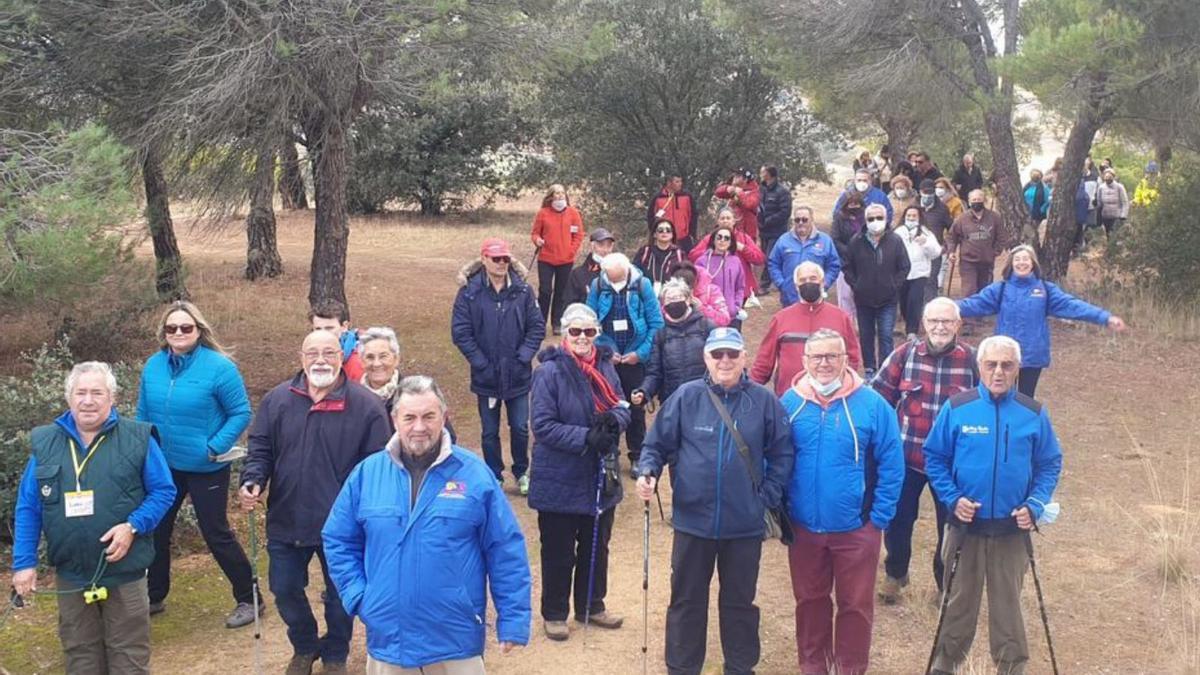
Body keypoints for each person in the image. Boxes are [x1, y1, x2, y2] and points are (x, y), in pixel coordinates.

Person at [322, 376, 531, 674]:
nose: (419, 427)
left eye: (429, 416)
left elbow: (505, 549)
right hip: (388, 638)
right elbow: (338, 538)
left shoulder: (474, 475)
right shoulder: (367, 474)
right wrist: (359, 596)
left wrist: (513, 619)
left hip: (455, 637)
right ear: (395, 419)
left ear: (444, 418)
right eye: (409, 417)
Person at [636, 327, 793, 675]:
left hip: (744, 525)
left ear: (744, 357)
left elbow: (783, 452)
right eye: (717, 354)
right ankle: (682, 668)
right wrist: (648, 470)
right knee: (686, 602)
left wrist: (767, 496)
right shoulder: (685, 396)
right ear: (706, 357)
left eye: (732, 354)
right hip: (693, 522)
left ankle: (739, 668)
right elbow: (655, 445)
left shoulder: (764, 402)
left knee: (739, 604)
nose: (725, 360)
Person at [239, 330, 391, 675]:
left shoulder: (366, 406)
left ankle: (336, 652)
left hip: (343, 524)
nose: (320, 359)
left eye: (328, 352)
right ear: (301, 356)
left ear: (342, 356)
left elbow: (378, 467)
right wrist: (252, 480)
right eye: (313, 353)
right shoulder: (277, 400)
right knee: (284, 588)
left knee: (341, 595)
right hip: (287, 515)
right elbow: (260, 448)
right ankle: (305, 646)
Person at [12, 362, 176, 675]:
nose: (88, 400)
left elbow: (164, 492)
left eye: (97, 392)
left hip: (125, 572)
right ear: (69, 397)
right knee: (80, 656)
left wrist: (133, 526)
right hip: (71, 575)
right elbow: (28, 507)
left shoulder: (138, 437)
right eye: (81, 392)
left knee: (129, 658)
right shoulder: (45, 443)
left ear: (112, 397)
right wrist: (23, 563)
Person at [924, 335, 1064, 675]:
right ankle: (946, 664)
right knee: (957, 601)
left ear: (1017, 369)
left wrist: (1034, 503)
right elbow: (935, 457)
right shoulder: (958, 408)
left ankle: (1011, 666)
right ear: (979, 367)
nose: (998, 372)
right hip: (964, 528)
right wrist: (953, 499)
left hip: (1011, 529)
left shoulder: (1033, 413)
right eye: (991, 364)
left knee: (1008, 606)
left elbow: (1049, 463)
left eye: (1006, 365)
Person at [780, 329, 904, 675]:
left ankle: (850, 668)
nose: (824, 363)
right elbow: (774, 459)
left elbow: (892, 465)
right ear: (804, 361)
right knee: (809, 603)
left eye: (831, 356)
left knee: (855, 606)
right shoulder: (788, 404)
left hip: (856, 529)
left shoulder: (874, 405)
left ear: (846, 359)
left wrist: (878, 518)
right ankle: (813, 666)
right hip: (804, 528)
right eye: (816, 356)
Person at [138, 301, 256, 626]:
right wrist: (143, 453)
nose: (178, 333)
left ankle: (249, 598)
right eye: (171, 328)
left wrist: (214, 446)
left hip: (207, 467)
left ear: (199, 330)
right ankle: (154, 596)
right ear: (163, 333)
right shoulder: (153, 366)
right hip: (165, 466)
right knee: (156, 530)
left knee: (215, 532)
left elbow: (241, 413)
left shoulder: (219, 367)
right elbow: (142, 415)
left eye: (186, 327)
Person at [529, 303, 631, 641]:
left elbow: (621, 405)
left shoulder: (605, 365)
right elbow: (542, 426)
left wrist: (612, 423)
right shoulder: (548, 372)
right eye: (575, 331)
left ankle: (592, 605)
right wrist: (585, 436)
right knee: (558, 549)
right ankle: (555, 612)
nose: (583, 337)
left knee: (596, 544)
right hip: (559, 474)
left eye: (589, 331)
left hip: (600, 473)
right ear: (564, 334)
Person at [869, 298, 978, 604]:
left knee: (952, 526)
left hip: (954, 466)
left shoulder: (972, 360)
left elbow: (988, 408)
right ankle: (895, 574)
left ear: (958, 325)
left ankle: (945, 585)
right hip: (907, 459)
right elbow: (877, 399)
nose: (940, 327)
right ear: (924, 323)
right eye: (934, 321)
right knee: (897, 519)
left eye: (947, 321)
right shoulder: (904, 355)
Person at [957, 244, 1125, 397]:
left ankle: (1024, 430)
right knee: (999, 397)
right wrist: (946, 308)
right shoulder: (1000, 289)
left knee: (1025, 401)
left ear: (1033, 263)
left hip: (1032, 357)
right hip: (1004, 355)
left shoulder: (1045, 290)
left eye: (1026, 259)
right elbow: (974, 304)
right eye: (1017, 259)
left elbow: (1074, 306)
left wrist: (1104, 318)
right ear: (1011, 264)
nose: (1022, 263)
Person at [452, 237, 546, 494]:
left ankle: (521, 471)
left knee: (520, 426)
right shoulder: (469, 293)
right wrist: (480, 363)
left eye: (505, 258)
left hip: (517, 374)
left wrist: (524, 356)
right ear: (484, 259)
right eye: (496, 258)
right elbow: (461, 332)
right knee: (489, 430)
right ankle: (494, 474)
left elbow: (536, 327)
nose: (501, 263)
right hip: (486, 377)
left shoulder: (524, 291)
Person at [586, 253, 664, 468]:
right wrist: (606, 351)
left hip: (634, 358)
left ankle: (637, 455)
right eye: (610, 278)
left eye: (618, 278)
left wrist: (640, 354)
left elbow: (656, 324)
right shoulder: (597, 285)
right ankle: (609, 452)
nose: (613, 282)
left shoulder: (643, 285)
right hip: (606, 360)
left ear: (628, 271)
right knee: (605, 405)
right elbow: (590, 321)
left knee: (635, 408)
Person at [751, 262, 862, 395]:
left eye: (813, 278)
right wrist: (749, 392)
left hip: (832, 398)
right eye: (803, 280)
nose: (808, 282)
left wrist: (845, 387)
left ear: (822, 282)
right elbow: (764, 361)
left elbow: (852, 358)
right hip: (790, 398)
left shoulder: (841, 318)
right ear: (797, 286)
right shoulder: (781, 318)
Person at [357, 326, 459, 443]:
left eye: (383, 356)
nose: (376, 363)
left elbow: (447, 438)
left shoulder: (419, 393)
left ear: (396, 359)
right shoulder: (355, 400)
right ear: (361, 361)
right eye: (370, 357)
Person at [842, 203, 911, 374]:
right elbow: (847, 267)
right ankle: (870, 369)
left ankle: (886, 371)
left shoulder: (895, 240)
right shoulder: (856, 241)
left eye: (879, 217)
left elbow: (904, 266)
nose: (875, 221)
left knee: (886, 336)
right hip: (863, 299)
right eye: (871, 218)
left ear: (886, 218)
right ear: (865, 220)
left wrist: (894, 285)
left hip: (888, 299)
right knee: (866, 336)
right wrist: (856, 285)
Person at [634, 279, 714, 408]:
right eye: (669, 299)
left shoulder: (707, 327)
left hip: (705, 399)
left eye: (677, 297)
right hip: (672, 401)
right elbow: (654, 372)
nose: (673, 302)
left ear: (688, 299)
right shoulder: (660, 334)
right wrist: (644, 391)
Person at [946, 189, 1008, 334]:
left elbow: (1002, 236)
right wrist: (951, 252)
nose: (976, 202)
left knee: (984, 288)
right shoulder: (961, 219)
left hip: (987, 261)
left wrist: (995, 252)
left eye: (979, 199)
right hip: (968, 260)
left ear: (984, 200)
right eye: (973, 200)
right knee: (969, 289)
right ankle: (968, 322)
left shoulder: (994, 217)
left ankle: (979, 316)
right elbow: (951, 237)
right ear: (968, 201)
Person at [531, 183, 585, 328]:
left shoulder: (573, 213)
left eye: (562, 192)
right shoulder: (543, 213)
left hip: (565, 260)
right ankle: (540, 322)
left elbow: (578, 234)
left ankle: (556, 322)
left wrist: (571, 250)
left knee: (561, 292)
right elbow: (535, 233)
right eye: (556, 193)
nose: (560, 195)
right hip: (546, 259)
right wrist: (537, 240)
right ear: (551, 196)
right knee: (545, 291)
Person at [768, 205, 842, 308]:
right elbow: (773, 264)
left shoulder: (825, 241)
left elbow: (834, 265)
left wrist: (824, 283)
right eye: (797, 220)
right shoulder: (783, 240)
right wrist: (782, 284)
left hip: (816, 298)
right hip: (790, 298)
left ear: (812, 220)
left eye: (804, 219)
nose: (801, 223)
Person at [691, 209, 767, 297]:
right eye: (722, 218)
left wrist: (743, 249)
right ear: (718, 221)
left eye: (728, 218)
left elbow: (760, 259)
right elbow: (693, 256)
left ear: (734, 221)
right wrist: (712, 250)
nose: (725, 221)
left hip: (741, 288)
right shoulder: (710, 239)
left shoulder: (744, 238)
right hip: (715, 287)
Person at [895, 206, 943, 339]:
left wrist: (925, 243)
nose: (911, 218)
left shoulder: (926, 233)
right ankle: (907, 322)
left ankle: (912, 330)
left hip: (919, 273)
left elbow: (936, 252)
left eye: (914, 216)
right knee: (904, 302)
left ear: (919, 217)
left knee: (914, 301)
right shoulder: (897, 233)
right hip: (902, 274)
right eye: (908, 216)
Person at [693, 222, 748, 329]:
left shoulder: (736, 261)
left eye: (726, 238)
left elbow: (740, 287)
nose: (722, 240)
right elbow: (696, 288)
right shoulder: (702, 261)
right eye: (719, 237)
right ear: (713, 240)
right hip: (709, 316)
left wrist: (736, 306)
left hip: (732, 316)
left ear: (731, 242)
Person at [757, 165, 793, 294]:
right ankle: (781, 279)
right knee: (769, 257)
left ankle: (764, 285)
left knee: (770, 257)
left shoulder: (782, 191)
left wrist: (768, 221)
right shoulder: (761, 189)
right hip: (763, 231)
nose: (760, 173)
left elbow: (785, 212)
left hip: (776, 231)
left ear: (769, 174)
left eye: (763, 171)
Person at [310, 300, 365, 382]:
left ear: (344, 327)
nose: (323, 333)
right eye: (318, 329)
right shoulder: (310, 357)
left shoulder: (357, 362)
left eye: (329, 328)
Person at [831, 190, 866, 318]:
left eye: (857, 204)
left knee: (861, 295)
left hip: (864, 261)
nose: (854, 207)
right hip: (845, 260)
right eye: (851, 204)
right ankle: (847, 323)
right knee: (845, 295)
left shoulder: (866, 218)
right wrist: (849, 251)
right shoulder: (839, 218)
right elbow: (835, 239)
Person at [668, 259, 732, 328]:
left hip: (704, 334)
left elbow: (725, 319)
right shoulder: (669, 293)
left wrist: (702, 308)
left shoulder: (711, 291)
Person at [919, 179, 955, 294]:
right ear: (920, 192)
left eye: (931, 192)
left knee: (931, 279)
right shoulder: (914, 207)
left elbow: (951, 229)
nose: (928, 195)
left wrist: (948, 246)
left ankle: (930, 307)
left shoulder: (942, 208)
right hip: (917, 250)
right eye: (925, 192)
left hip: (935, 250)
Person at [565, 228, 616, 307]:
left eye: (608, 246)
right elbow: (569, 305)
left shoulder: (619, 271)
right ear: (592, 246)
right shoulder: (578, 274)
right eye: (601, 245)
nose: (605, 250)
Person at [648, 174, 700, 252]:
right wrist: (655, 234)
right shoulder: (658, 198)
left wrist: (693, 234)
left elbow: (693, 216)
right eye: (677, 182)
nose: (680, 184)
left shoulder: (687, 197)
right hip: (665, 238)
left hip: (684, 239)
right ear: (669, 183)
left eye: (681, 181)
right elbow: (651, 217)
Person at [634, 219, 686, 294]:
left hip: (672, 296)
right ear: (655, 234)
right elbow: (635, 272)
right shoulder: (645, 251)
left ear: (672, 234)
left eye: (668, 230)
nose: (664, 232)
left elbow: (684, 277)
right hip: (646, 294)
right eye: (660, 230)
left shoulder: (679, 254)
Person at [714, 168, 761, 241]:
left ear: (745, 179)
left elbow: (749, 204)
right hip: (732, 229)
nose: (734, 178)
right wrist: (727, 188)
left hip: (747, 232)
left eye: (738, 176)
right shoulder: (734, 189)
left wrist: (740, 193)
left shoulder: (754, 192)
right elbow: (718, 192)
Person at [1095, 168, 1130, 238]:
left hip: (1117, 216)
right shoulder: (1101, 188)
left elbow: (1125, 202)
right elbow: (1099, 203)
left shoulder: (1119, 187)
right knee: (1108, 235)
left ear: (1113, 176)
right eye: (1106, 177)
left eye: (1109, 176)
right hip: (1105, 216)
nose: (1107, 178)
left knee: (1115, 235)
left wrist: (1123, 216)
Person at [1022, 169, 1051, 245]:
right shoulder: (1027, 186)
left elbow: (1048, 200)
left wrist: (1042, 209)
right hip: (1026, 212)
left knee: (1031, 230)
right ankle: (1029, 246)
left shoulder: (1044, 188)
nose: (1035, 177)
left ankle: (1031, 247)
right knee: (1027, 231)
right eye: (1033, 175)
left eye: (1036, 175)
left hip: (1037, 214)